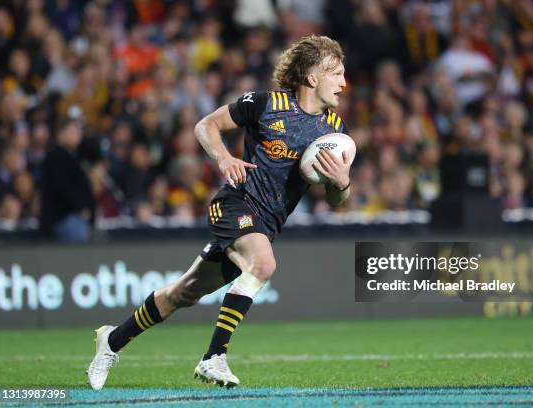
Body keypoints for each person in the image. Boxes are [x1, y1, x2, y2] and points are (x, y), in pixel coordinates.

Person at [87, 35, 351, 390]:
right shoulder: (264, 103)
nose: (344, 83)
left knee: (184, 292)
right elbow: (205, 125)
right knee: (264, 264)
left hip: (266, 224)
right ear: (312, 77)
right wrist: (224, 157)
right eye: (336, 74)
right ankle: (214, 356)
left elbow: (337, 200)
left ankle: (112, 340)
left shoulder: (336, 133)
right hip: (234, 204)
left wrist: (341, 182)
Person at [40, 119, 94, 241]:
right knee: (79, 233)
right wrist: (81, 206)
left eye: (78, 131)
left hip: (75, 215)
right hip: (62, 216)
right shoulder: (56, 157)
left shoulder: (76, 156)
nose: (77, 135)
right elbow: (63, 187)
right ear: (60, 134)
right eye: (72, 132)